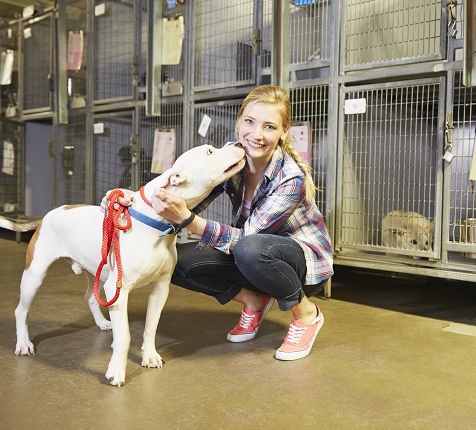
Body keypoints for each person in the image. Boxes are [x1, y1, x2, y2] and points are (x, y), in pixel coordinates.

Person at [105, 85, 333, 360]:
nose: (256, 135)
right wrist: (140, 200)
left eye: (269, 127)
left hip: (299, 265)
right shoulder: (233, 156)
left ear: (284, 132)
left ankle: (307, 314)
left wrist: (187, 219)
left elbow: (244, 237)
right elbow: (188, 192)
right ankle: (253, 301)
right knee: (172, 260)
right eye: (249, 122)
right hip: (253, 253)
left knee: (249, 248)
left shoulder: (289, 178)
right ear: (239, 122)